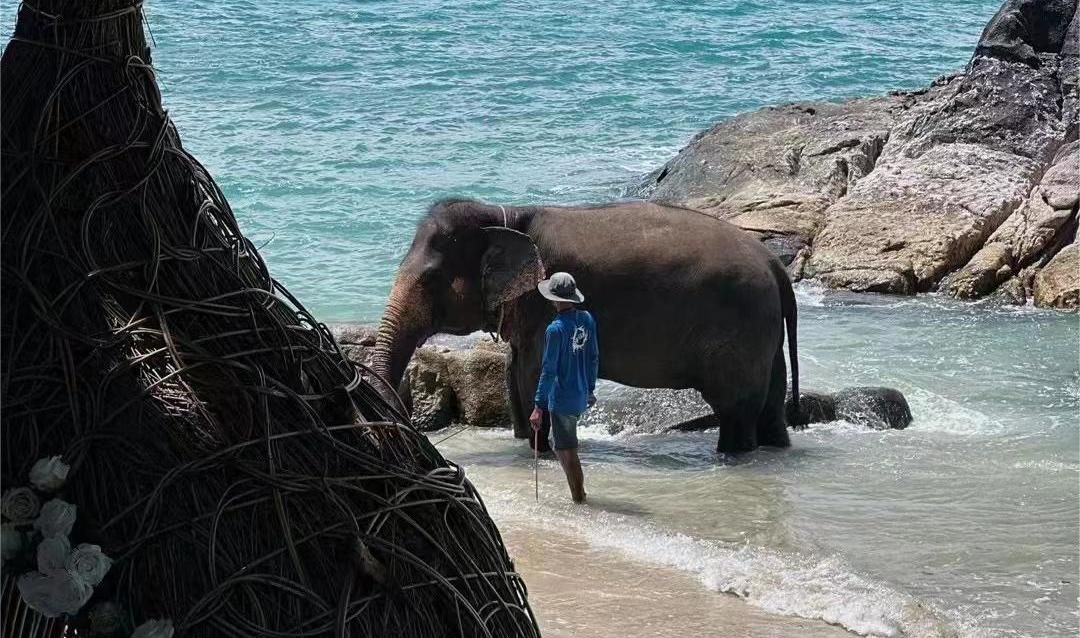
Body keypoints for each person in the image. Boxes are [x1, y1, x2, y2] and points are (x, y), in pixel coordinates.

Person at [529, 271, 598, 503]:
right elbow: (593, 357)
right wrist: (590, 389)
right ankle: (579, 494)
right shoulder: (587, 319)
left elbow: (549, 371)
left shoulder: (555, 329)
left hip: (562, 398)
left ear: (554, 299)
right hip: (580, 395)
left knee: (566, 451)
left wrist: (538, 406)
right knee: (564, 446)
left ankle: (579, 498)